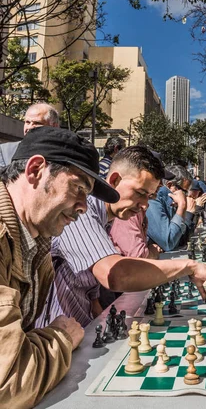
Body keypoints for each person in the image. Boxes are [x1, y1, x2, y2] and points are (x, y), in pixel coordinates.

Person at [0, 126, 118, 409]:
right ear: (36, 170)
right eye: (78, 188)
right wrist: (61, 336)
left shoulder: (36, 241)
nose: (83, 207)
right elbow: (9, 384)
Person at [38, 148, 206, 328]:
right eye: (140, 193)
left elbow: (87, 286)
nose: (144, 205)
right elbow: (115, 275)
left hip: (80, 333)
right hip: (55, 340)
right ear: (115, 180)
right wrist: (189, 266)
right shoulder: (82, 213)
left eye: (150, 196)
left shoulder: (107, 218)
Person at [146, 164, 198, 252]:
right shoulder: (154, 199)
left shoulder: (171, 202)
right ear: (170, 185)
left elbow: (182, 240)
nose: (187, 195)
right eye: (184, 191)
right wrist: (182, 206)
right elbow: (168, 242)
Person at [0, 102, 60, 168]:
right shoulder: (4, 151)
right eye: (27, 122)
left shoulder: (62, 155)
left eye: (37, 123)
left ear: (54, 126)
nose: (30, 127)